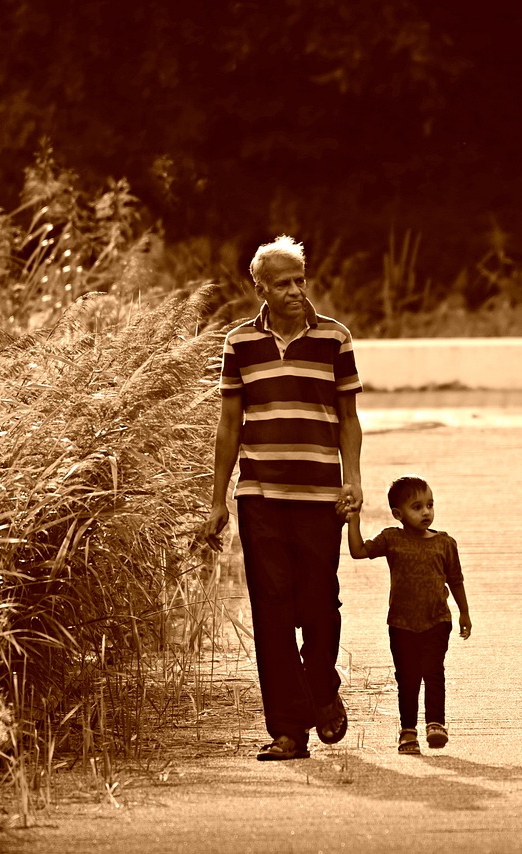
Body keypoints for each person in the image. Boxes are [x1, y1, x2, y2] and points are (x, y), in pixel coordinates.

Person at [200, 235, 363, 761]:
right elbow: (229, 423)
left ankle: (320, 685)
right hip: (260, 494)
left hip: (320, 495)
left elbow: (348, 418)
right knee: (271, 609)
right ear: (261, 288)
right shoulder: (238, 343)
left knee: (319, 603)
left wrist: (353, 480)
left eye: (300, 280)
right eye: (284, 282)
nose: (296, 290)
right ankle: (288, 730)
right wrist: (217, 498)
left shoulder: (334, 339)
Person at [344, 475, 471, 755]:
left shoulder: (445, 543)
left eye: (430, 505)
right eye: (417, 507)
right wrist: (353, 520)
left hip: (438, 620)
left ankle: (436, 724)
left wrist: (464, 612)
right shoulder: (392, 539)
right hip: (401, 624)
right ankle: (408, 732)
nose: (426, 512)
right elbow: (358, 551)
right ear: (398, 514)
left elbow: (456, 580)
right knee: (408, 678)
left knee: (434, 672)